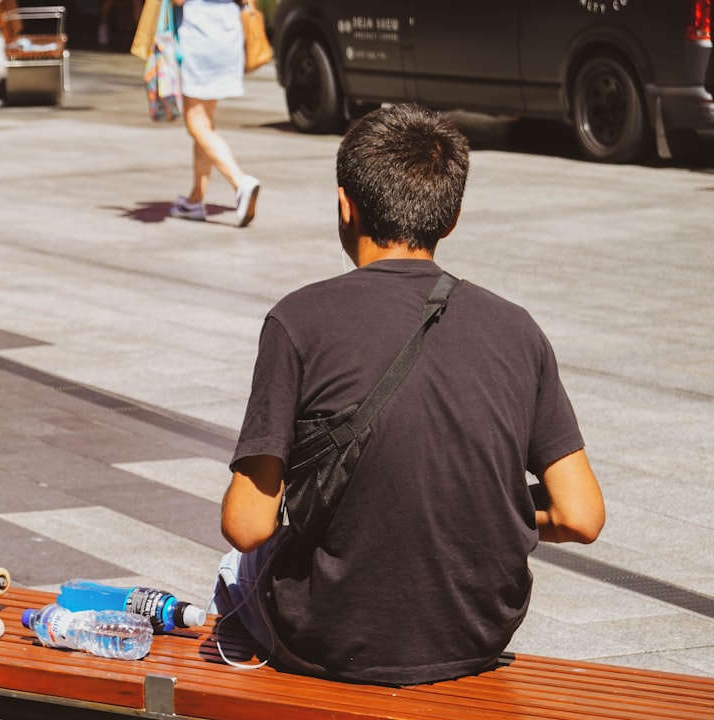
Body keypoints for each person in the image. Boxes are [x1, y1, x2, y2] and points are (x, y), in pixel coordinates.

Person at [211, 104, 605, 686]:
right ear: (452, 218)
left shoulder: (298, 320)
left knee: (234, 568)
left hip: (329, 638)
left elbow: (247, 525)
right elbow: (581, 516)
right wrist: (486, 507)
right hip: (476, 635)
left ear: (345, 205)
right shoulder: (517, 328)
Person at [169, 0, 260, 227]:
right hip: (229, 32)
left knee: (195, 122)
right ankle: (195, 199)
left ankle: (240, 182)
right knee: (204, 122)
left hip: (201, 34)